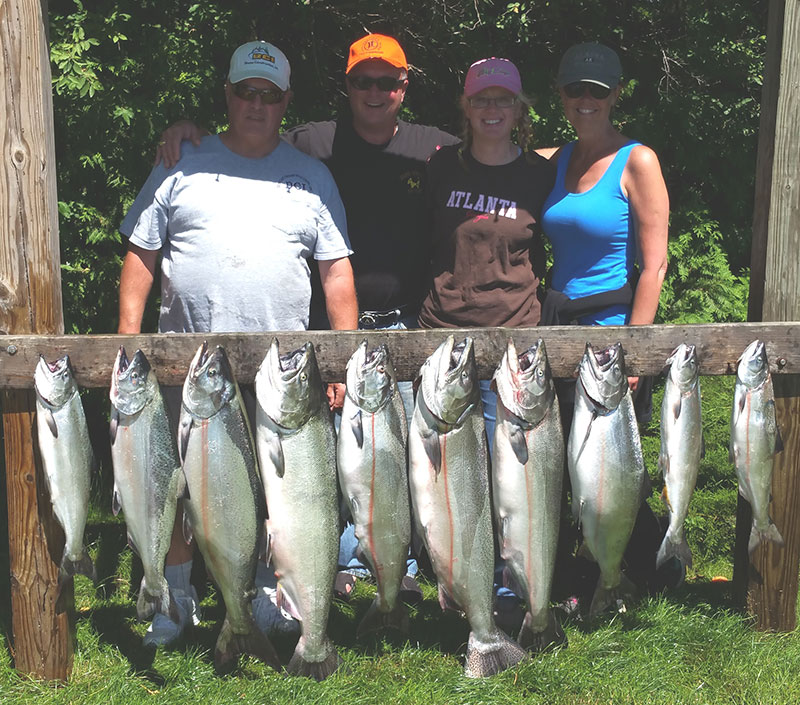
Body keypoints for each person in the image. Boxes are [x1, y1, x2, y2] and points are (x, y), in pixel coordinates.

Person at [155, 33, 460, 604]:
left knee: (396, 458)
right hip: (325, 334)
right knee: (324, 463)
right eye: (362, 81)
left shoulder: (436, 148)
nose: (374, 92)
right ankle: (329, 565)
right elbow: (245, 135)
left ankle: (401, 565)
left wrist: (560, 161)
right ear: (345, 86)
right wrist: (182, 130)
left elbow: (501, 156)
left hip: (406, 328)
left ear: (404, 86)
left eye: (386, 82)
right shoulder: (310, 143)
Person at [118, 40, 358, 646]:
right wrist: (128, 344)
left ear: (285, 103)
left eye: (269, 95)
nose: (256, 103)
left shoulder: (312, 177)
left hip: (280, 375)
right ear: (228, 94)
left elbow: (336, 273)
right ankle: (172, 602)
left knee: (270, 490)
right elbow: (142, 256)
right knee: (169, 489)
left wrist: (341, 360)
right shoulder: (181, 160)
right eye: (246, 91)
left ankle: (259, 598)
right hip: (185, 365)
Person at [416, 57, 555, 633]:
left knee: (508, 479)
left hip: (512, 347)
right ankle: (450, 583)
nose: (492, 109)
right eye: (481, 99)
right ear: (465, 108)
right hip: (440, 339)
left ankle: (507, 591)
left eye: (503, 100)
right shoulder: (439, 167)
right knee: (442, 478)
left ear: (519, 110)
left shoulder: (541, 176)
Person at [538, 42, 671, 606]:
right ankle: (580, 574)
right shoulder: (553, 159)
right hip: (555, 329)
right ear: (561, 95)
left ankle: (641, 570)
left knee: (614, 465)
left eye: (597, 91)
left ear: (616, 95)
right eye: (575, 90)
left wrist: (633, 350)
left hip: (612, 332)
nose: (585, 100)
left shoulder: (636, 160)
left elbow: (655, 263)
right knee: (566, 457)